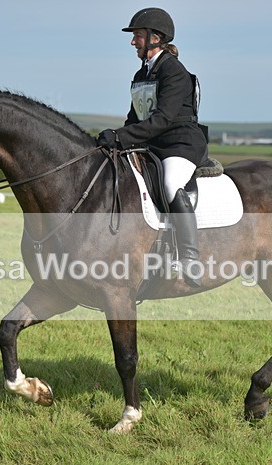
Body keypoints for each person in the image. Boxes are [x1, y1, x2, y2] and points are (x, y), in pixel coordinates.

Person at [97, 7, 207, 288]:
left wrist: (122, 136)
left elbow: (163, 119)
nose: (133, 42)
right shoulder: (142, 73)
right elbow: (135, 117)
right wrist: (117, 138)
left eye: (137, 36)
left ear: (155, 37)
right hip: (152, 144)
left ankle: (190, 259)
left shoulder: (174, 72)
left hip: (179, 143)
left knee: (170, 183)